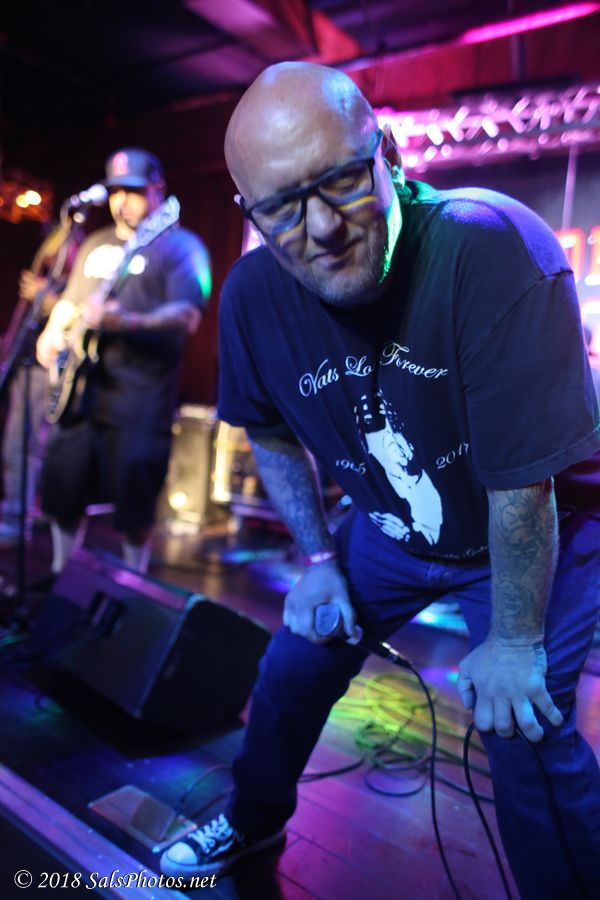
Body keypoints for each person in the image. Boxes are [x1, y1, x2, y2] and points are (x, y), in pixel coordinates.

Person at [160, 63, 600, 899]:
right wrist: (317, 559)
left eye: (342, 181)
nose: (323, 227)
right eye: (285, 208)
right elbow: (269, 430)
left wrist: (513, 644)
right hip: (395, 529)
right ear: (250, 213)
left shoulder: (488, 245)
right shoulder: (254, 295)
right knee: (293, 667)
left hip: (542, 519)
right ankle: (253, 819)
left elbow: (522, 486)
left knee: (524, 727)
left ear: (388, 153)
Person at [35, 148, 210, 575]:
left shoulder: (178, 245)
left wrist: (125, 321)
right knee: (63, 492)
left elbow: (187, 315)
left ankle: (133, 586)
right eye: (115, 191)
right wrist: (52, 331)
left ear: (157, 191)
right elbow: (72, 302)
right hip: (81, 397)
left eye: (133, 191)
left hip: (139, 402)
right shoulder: (95, 243)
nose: (121, 201)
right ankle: (60, 577)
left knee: (134, 508)